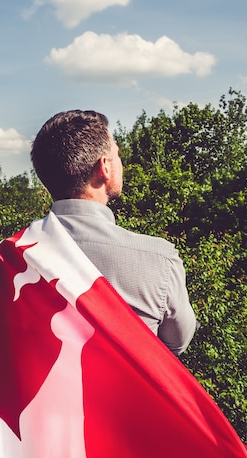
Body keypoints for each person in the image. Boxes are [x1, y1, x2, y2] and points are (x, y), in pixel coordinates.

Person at [31, 109, 198, 355]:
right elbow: (176, 344)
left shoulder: (6, 258)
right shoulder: (159, 259)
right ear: (105, 168)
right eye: (117, 154)